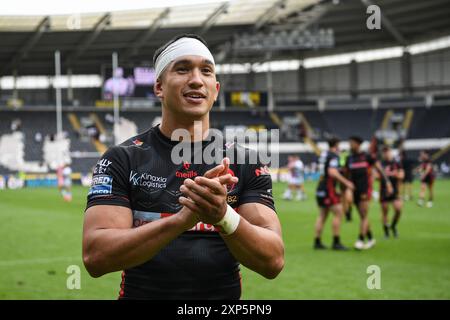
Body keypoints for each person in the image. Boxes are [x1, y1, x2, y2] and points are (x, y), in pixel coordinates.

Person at [82, 34, 284, 300]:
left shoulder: (245, 162)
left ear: (216, 90)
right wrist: (181, 221)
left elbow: (272, 261)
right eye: (183, 68)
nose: (197, 79)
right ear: (159, 87)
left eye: (206, 71)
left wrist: (223, 215)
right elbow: (96, 257)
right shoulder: (122, 158)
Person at [345, 136, 393, 250]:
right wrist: (347, 189)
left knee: (364, 215)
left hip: (365, 190)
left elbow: (380, 169)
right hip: (354, 191)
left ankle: (360, 239)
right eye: (349, 143)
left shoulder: (367, 156)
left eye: (352, 143)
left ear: (358, 144)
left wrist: (387, 182)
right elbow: (347, 175)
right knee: (362, 215)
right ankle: (371, 239)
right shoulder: (349, 158)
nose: (350, 145)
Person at [314, 138, 354, 250]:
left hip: (320, 186)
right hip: (328, 188)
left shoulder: (324, 154)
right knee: (339, 212)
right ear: (336, 144)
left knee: (322, 215)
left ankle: (317, 241)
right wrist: (346, 182)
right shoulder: (334, 156)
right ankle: (336, 242)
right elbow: (332, 172)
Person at [378, 146, 404, 238]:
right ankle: (386, 232)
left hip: (395, 190)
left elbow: (401, 175)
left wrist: (393, 174)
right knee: (385, 211)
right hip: (383, 190)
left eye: (387, 151)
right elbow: (376, 176)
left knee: (398, 210)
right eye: (384, 152)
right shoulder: (380, 164)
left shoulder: (396, 163)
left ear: (391, 152)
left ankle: (393, 226)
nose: (386, 154)